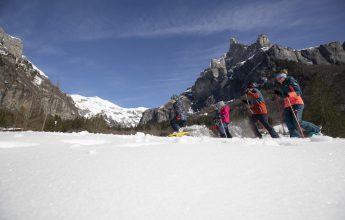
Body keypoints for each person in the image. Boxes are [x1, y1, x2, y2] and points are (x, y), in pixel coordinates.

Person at [274, 69, 321, 137]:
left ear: (284, 76)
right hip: (288, 105)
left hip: (297, 103)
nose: (278, 80)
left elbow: (299, 92)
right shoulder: (283, 85)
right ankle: (295, 137)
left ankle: (316, 129)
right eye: (277, 79)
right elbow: (285, 95)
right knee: (289, 123)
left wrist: (288, 94)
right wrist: (279, 94)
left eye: (280, 78)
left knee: (297, 122)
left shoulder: (291, 80)